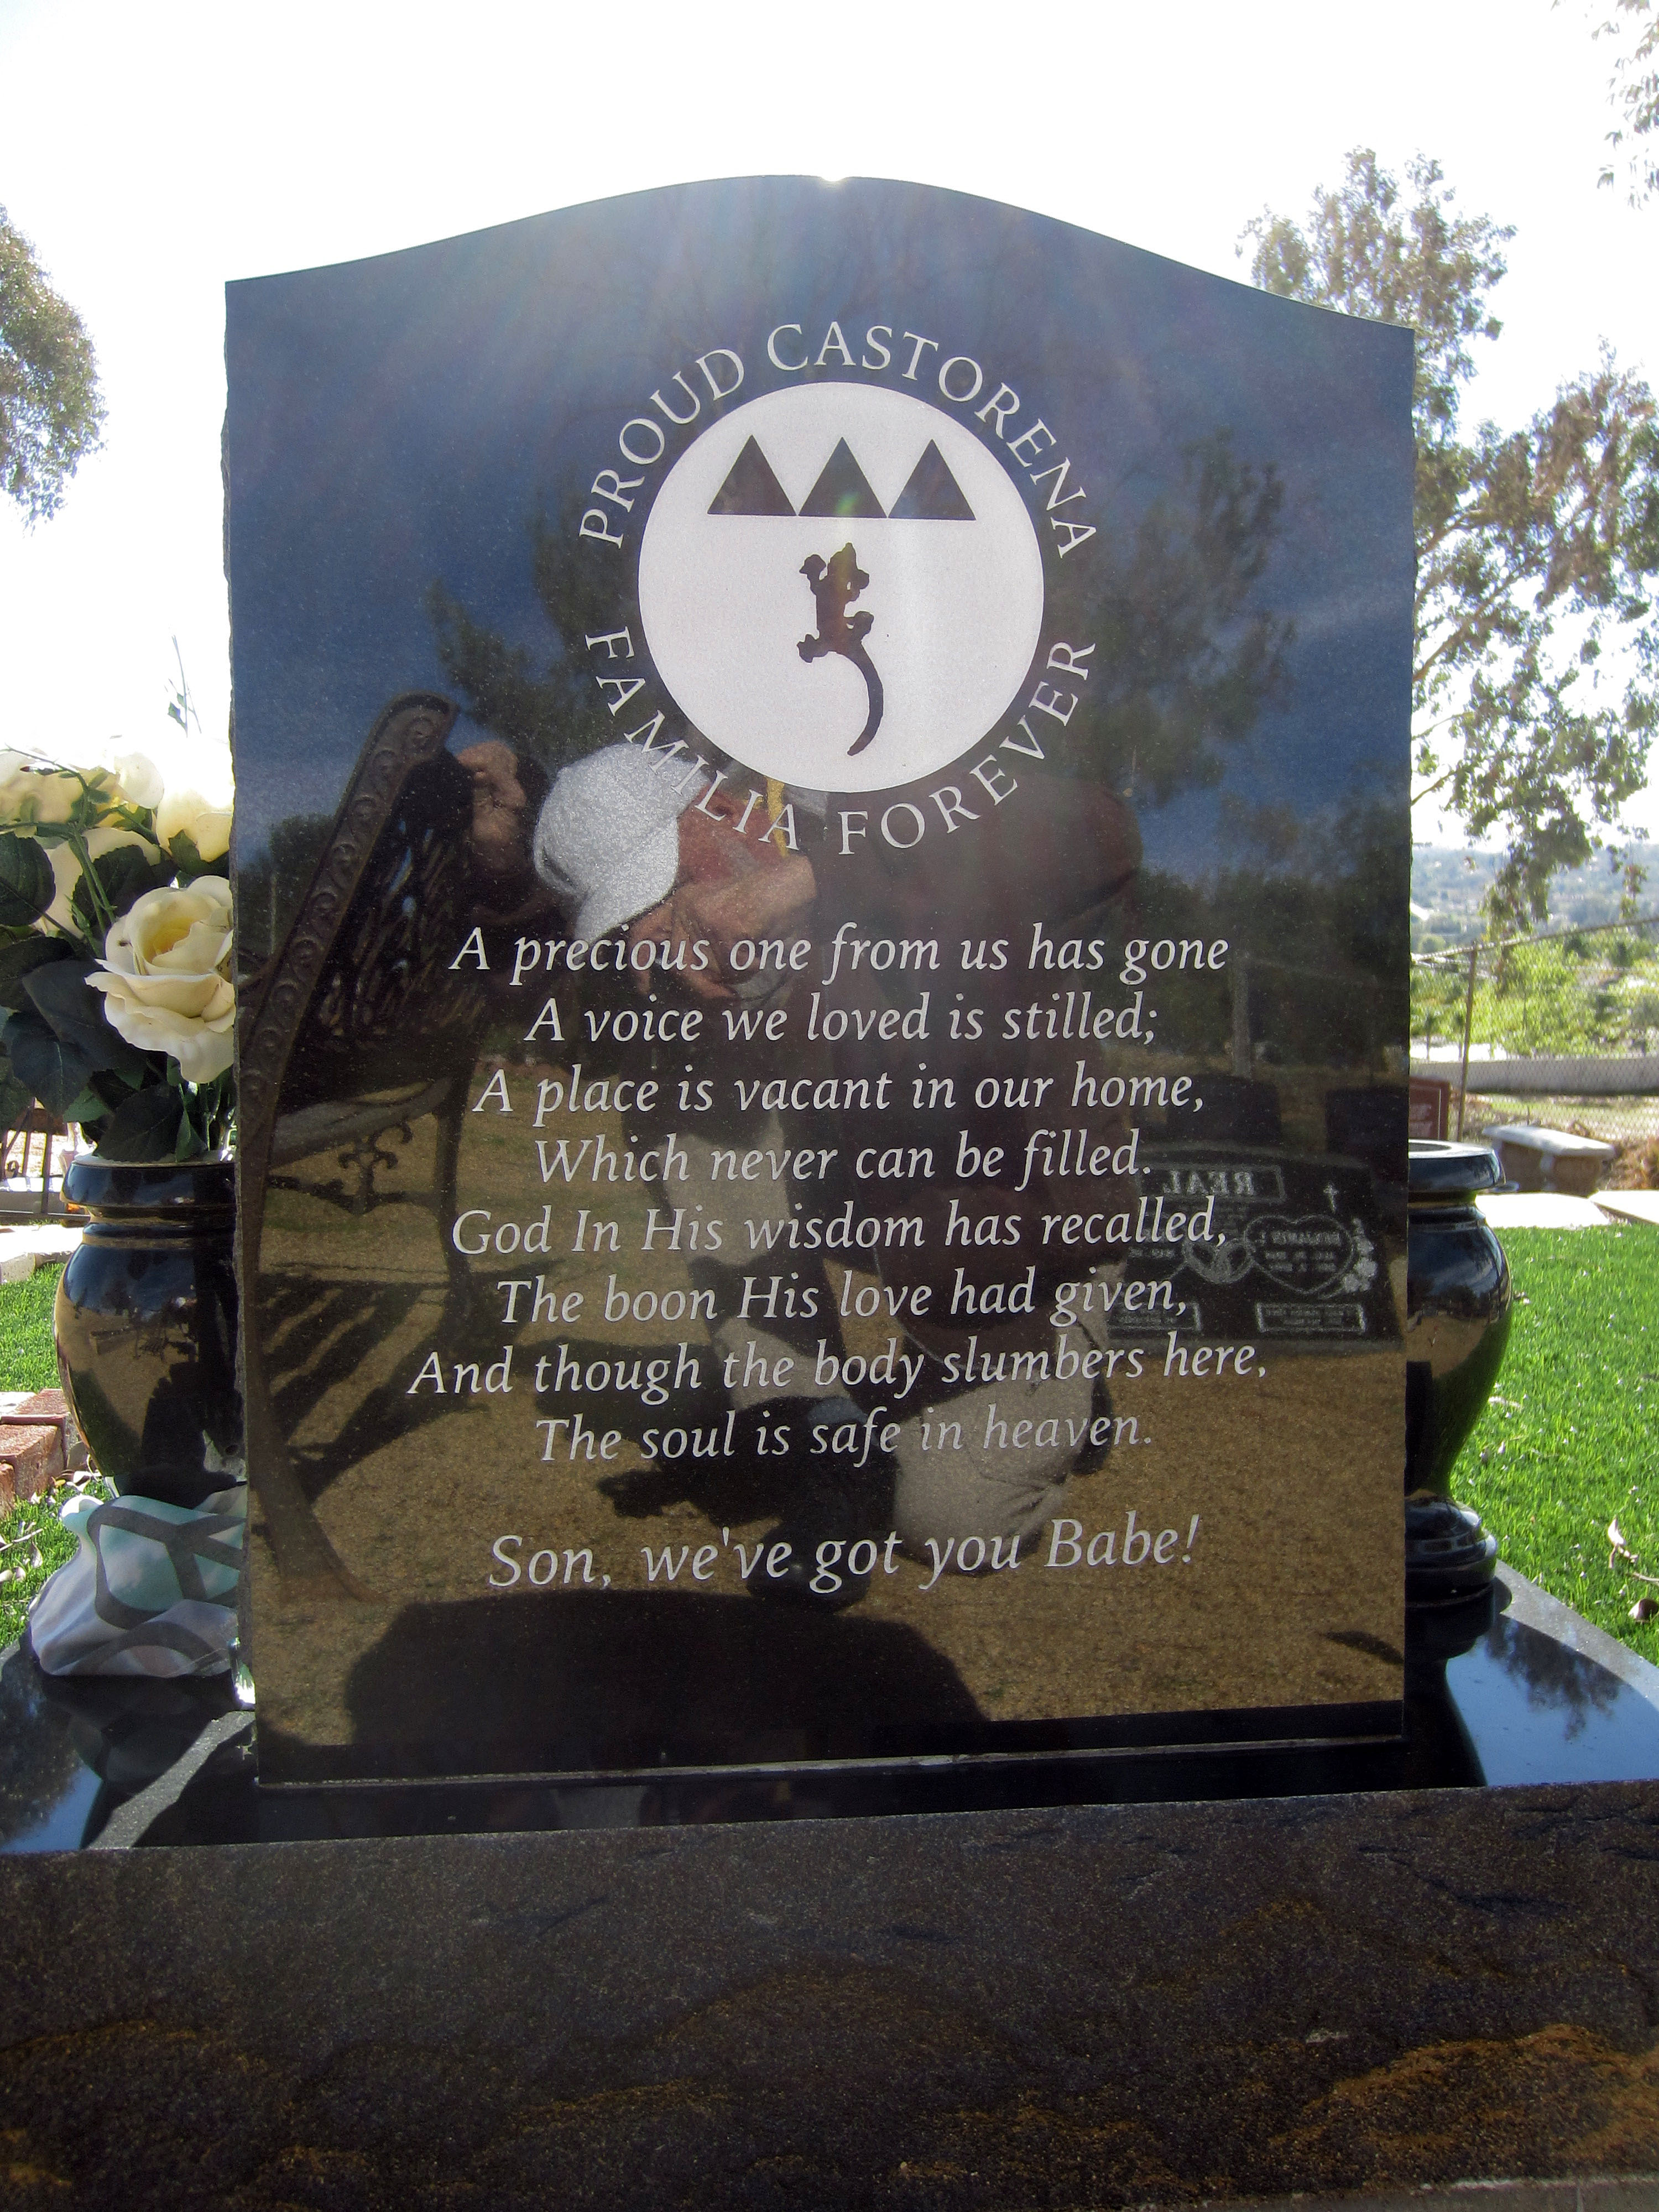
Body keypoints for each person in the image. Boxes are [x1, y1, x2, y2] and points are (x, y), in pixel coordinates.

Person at [531, 740, 1143, 1597]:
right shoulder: (717, 962)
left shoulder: (886, 794)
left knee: (952, 1523)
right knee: (669, 1072)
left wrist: (803, 880)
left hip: (1028, 1233)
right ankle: (828, 1434)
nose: (642, 954)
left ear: (719, 817)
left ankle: (1070, 1355)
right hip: (878, 1199)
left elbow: (1103, 833)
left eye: (651, 903)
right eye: (621, 932)